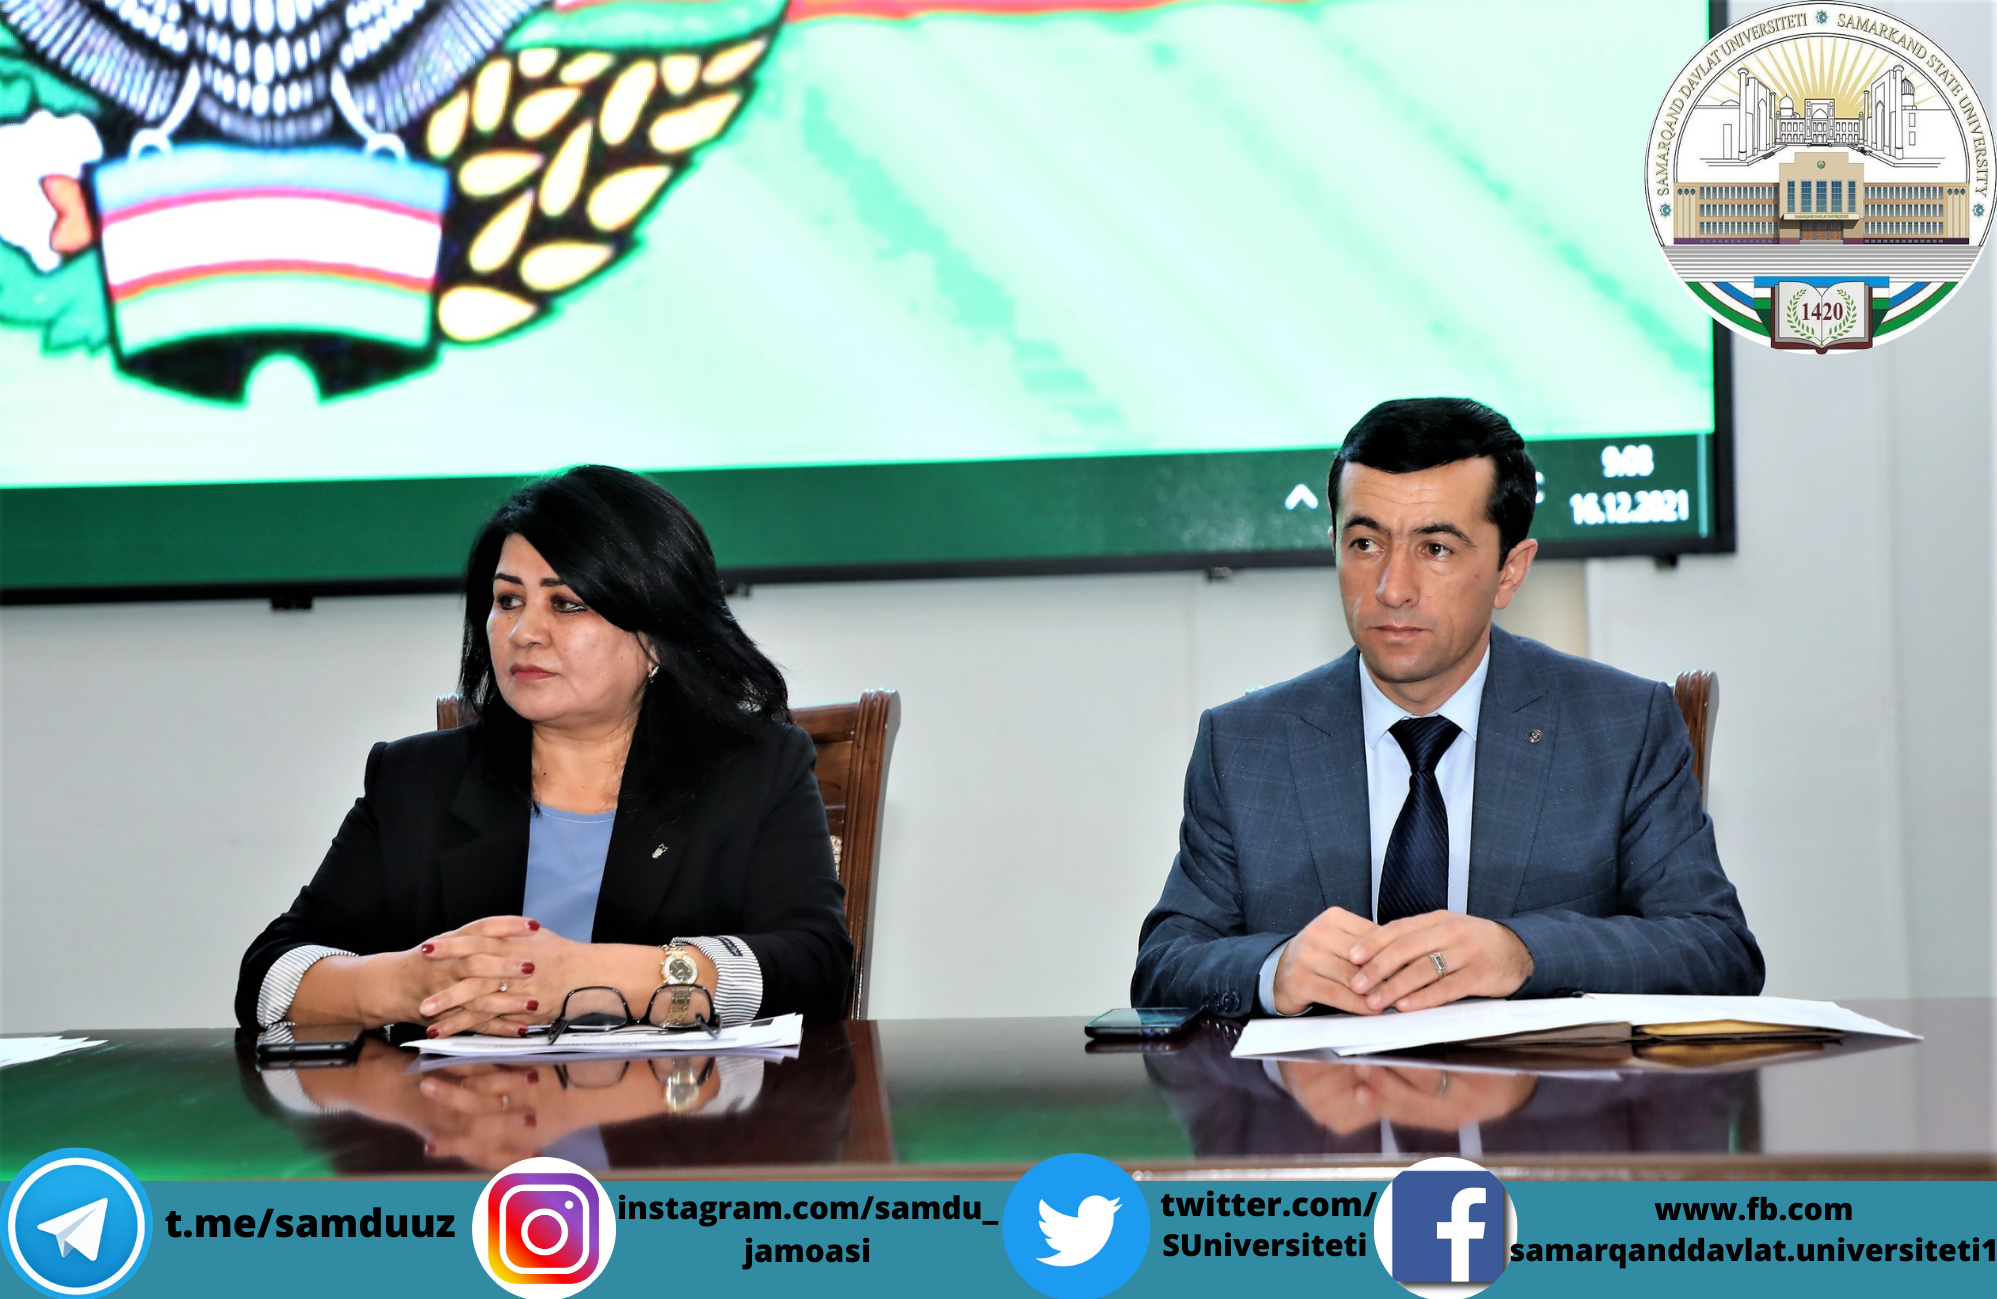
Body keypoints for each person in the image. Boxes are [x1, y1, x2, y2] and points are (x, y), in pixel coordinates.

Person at [1133, 398, 1762, 1019]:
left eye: (1435, 549)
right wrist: (1274, 969)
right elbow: (1164, 965)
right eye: (1365, 544)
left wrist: (1523, 953)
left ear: (1510, 570)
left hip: (1538, 1088)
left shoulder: (1624, 725)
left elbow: (1717, 949)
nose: (1392, 589)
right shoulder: (1244, 744)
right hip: (1322, 1086)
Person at [236, 465, 852, 1036]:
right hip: (463, 1115)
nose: (524, 631)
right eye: (507, 601)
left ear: (658, 633)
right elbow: (269, 977)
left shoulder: (755, 770)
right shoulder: (416, 780)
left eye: (567, 604)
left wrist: (593, 979)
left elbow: (816, 969)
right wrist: (411, 984)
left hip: (667, 1115)